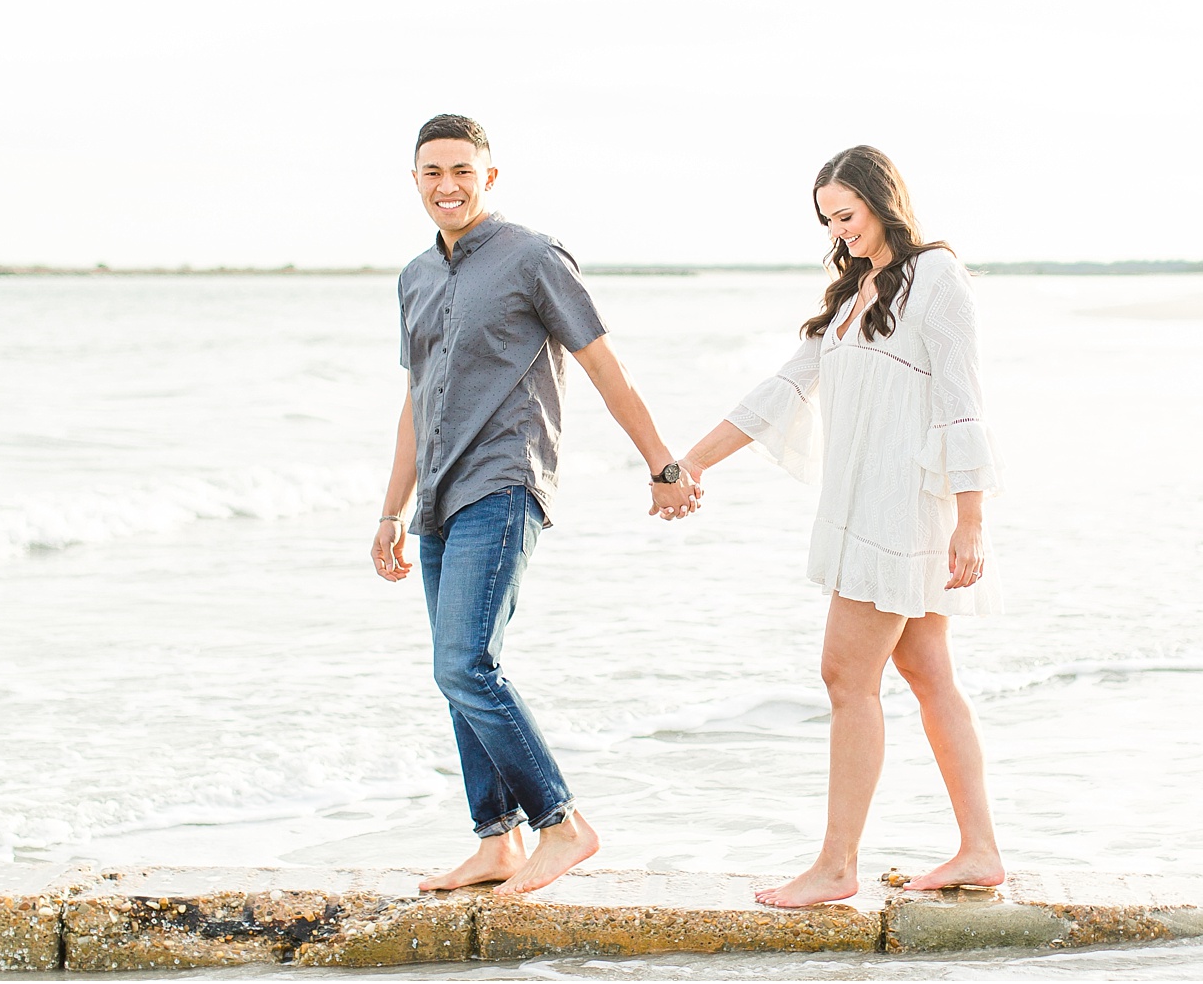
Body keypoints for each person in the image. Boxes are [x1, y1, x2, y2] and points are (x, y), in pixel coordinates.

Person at [372, 114, 702, 896]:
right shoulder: (415, 276)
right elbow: (415, 402)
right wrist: (390, 511)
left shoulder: (533, 257)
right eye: (431, 173)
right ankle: (496, 842)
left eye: (461, 170)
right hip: (441, 497)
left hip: (506, 479)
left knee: (464, 662)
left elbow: (603, 364)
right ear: (414, 180)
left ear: (489, 176)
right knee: (454, 672)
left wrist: (662, 462)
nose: (446, 186)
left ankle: (561, 824)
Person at [677, 145, 1006, 908]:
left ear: (882, 202)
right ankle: (980, 850)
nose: (841, 229)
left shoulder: (937, 277)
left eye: (848, 214)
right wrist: (690, 462)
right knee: (928, 674)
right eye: (829, 220)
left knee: (845, 678)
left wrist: (972, 520)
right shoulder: (856, 295)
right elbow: (782, 389)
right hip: (864, 507)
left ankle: (836, 866)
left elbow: (964, 402)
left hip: (902, 511)